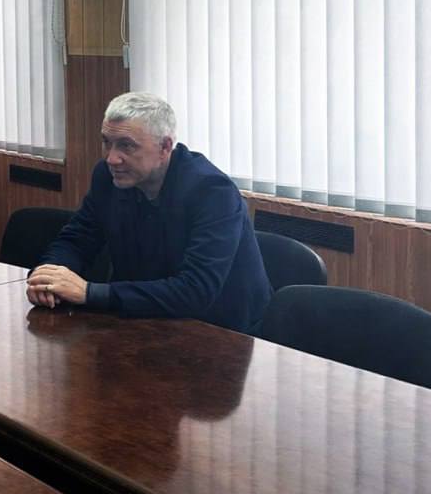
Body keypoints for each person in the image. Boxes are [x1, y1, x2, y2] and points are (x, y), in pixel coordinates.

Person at [26, 92, 271, 334]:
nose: (111, 158)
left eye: (126, 145)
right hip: (142, 318)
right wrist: (49, 277)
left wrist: (89, 292)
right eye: (106, 142)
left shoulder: (212, 191)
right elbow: (78, 239)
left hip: (220, 333)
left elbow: (195, 291)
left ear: (165, 147)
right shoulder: (108, 177)